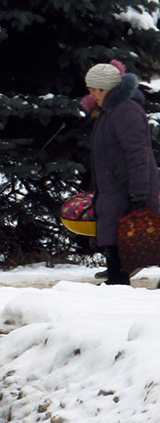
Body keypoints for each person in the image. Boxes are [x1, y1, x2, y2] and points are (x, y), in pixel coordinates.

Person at [84, 61, 160, 286]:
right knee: (118, 248)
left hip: (127, 192)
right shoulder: (109, 111)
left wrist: (138, 194)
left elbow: (138, 155)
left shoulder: (125, 111)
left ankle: (118, 292)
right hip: (115, 192)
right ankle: (117, 288)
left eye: (92, 90)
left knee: (134, 242)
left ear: (103, 89)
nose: (90, 95)